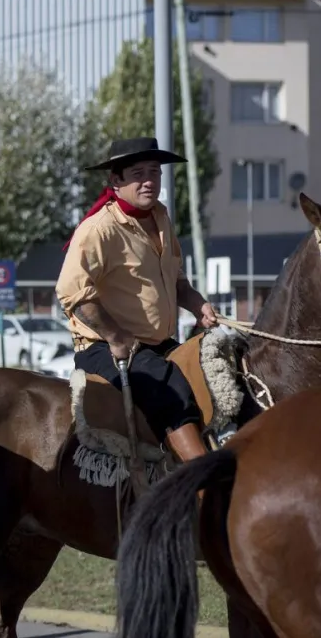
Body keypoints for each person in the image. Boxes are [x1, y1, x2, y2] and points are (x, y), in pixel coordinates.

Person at [56, 137, 215, 465]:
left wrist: (199, 305)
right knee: (171, 390)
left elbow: (177, 282)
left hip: (158, 345)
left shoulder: (161, 218)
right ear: (116, 180)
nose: (149, 181)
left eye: (155, 172)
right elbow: (72, 294)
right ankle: (201, 482)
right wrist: (116, 336)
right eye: (138, 173)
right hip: (103, 348)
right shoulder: (98, 229)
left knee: (215, 370)